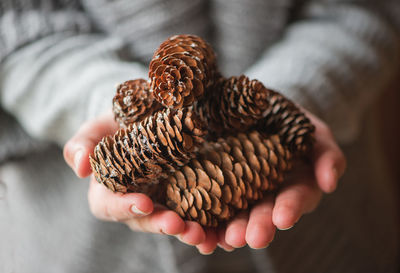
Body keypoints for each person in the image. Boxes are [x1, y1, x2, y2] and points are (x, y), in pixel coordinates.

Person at [0, 0, 398, 272]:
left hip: (338, 238)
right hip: (75, 247)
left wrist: (289, 96)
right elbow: (15, 25)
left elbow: (366, 7)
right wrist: (94, 95)